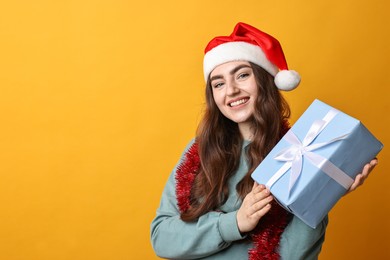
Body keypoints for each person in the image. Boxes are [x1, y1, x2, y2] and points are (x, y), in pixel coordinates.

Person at [150, 22, 378, 260]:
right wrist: (236, 223)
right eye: (219, 84)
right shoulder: (198, 151)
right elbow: (161, 238)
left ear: (265, 80)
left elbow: (291, 256)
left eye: (242, 75)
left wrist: (323, 193)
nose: (231, 90)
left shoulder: (299, 154)